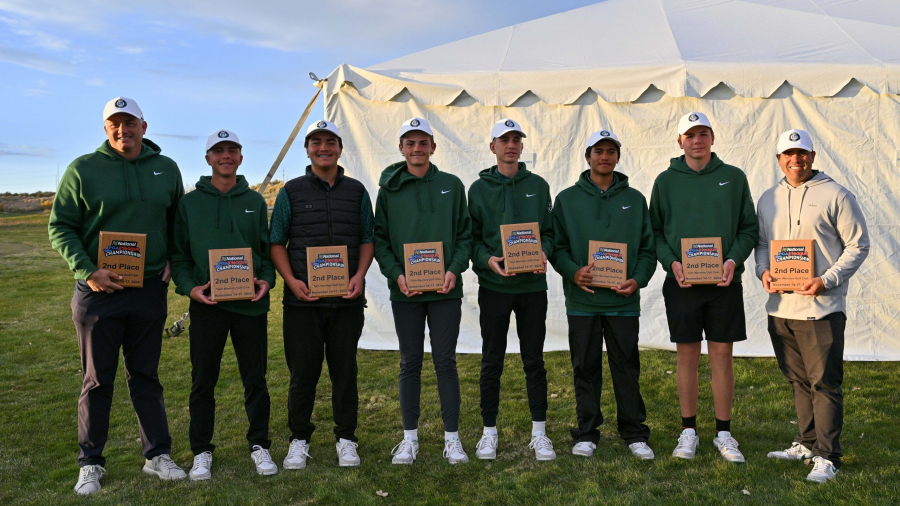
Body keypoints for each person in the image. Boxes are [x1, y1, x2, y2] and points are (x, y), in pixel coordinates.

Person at [48, 97, 187, 495]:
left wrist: (175, 261)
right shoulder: (83, 169)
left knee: (146, 376)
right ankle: (91, 462)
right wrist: (87, 269)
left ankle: (157, 455)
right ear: (106, 129)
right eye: (115, 124)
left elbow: (177, 221)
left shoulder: (167, 169)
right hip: (98, 291)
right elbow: (61, 228)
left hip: (147, 290)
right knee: (97, 380)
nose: (123, 130)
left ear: (144, 126)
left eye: (130, 123)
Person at [755, 129, 869, 483]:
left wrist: (827, 280)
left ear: (813, 156)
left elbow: (858, 245)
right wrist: (763, 271)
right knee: (798, 380)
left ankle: (828, 455)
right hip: (781, 307)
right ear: (778, 160)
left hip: (821, 308)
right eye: (788, 154)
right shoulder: (768, 198)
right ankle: (806, 442)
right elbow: (762, 244)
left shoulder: (837, 194)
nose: (796, 160)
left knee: (824, 383)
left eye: (801, 153)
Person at [649, 112, 758, 463]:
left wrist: (733, 260)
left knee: (722, 355)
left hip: (724, 282)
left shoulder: (733, 177)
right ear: (680, 141)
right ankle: (688, 431)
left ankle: (724, 433)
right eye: (690, 135)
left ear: (713, 137)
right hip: (681, 282)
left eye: (704, 133)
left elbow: (748, 228)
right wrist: (672, 263)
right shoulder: (665, 181)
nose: (697, 140)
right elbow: (654, 233)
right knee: (687, 356)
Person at [171, 130, 277, 479]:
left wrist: (266, 280)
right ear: (208, 159)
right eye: (218, 151)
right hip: (208, 306)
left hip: (250, 307)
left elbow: (264, 252)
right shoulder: (190, 203)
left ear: (241, 158)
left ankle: (260, 445)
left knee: (255, 380)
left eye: (232, 150)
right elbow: (180, 256)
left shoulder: (255, 201)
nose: (225, 156)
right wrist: (189, 289)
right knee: (203, 381)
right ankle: (201, 450)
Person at [269, 120, 374, 469]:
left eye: (330, 141)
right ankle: (299, 439)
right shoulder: (290, 191)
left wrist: (359, 275)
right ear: (308, 149)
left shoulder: (357, 190)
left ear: (340, 148)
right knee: (303, 374)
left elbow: (367, 238)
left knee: (345, 372)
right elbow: (276, 241)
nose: (323, 147)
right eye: (316, 142)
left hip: (346, 301)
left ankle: (347, 438)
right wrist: (291, 280)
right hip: (302, 302)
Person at [550, 129, 656, 460]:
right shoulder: (567, 199)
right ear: (587, 157)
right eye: (598, 151)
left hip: (623, 301)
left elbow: (648, 251)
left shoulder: (635, 199)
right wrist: (572, 271)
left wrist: (637, 280)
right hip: (582, 302)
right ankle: (586, 432)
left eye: (611, 151)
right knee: (585, 366)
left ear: (618, 157)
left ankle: (634, 431)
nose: (605, 156)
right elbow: (556, 245)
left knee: (626, 365)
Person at [373, 117, 473, 465]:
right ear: (401, 148)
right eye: (410, 143)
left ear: (433, 146)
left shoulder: (451, 185)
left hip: (445, 289)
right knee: (410, 362)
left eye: (423, 142)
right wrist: (396, 274)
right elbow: (380, 239)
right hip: (406, 293)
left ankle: (452, 439)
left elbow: (465, 235)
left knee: (445, 362)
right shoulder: (388, 190)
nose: (417, 149)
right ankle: (409, 439)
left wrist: (453, 269)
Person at [467, 118, 556, 461]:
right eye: (504, 140)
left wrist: (543, 252)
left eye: (516, 139)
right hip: (494, 287)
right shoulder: (478, 190)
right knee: (492, 359)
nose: (511, 145)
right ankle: (489, 431)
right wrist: (488, 260)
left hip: (532, 287)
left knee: (534, 359)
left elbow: (548, 232)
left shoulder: (539, 185)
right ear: (493, 147)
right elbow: (471, 239)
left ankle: (540, 432)